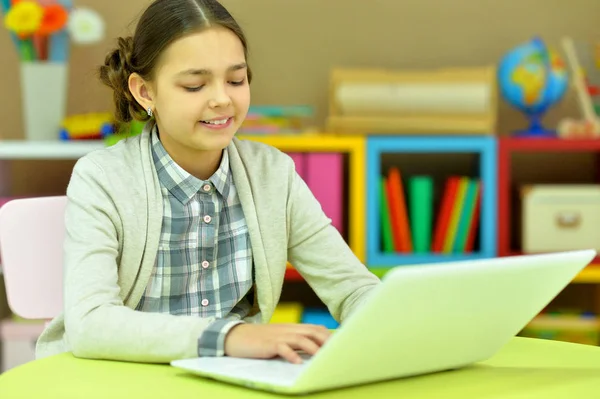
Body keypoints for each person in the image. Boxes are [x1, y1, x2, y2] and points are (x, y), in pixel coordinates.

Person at [36, 0, 380, 365]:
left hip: (230, 378)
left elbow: (353, 288)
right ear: (145, 92)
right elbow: (91, 324)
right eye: (195, 85)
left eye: (236, 80)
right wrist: (229, 336)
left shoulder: (273, 175)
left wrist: (398, 323)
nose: (222, 99)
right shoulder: (102, 178)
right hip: (122, 376)